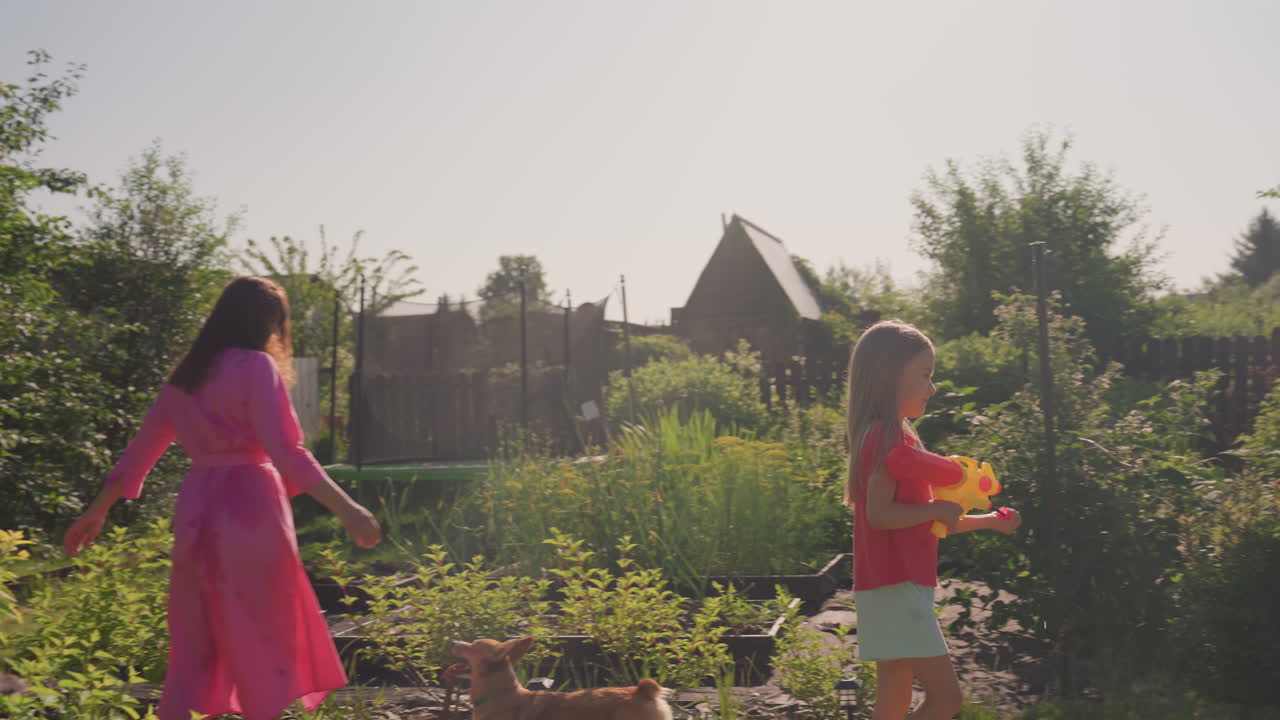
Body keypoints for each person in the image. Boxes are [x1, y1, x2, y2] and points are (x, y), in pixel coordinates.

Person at [63, 276, 383, 720]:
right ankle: (261, 711)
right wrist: (348, 509)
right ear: (266, 322)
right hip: (252, 505)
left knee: (198, 625)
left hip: (198, 507)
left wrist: (97, 511)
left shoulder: (186, 376)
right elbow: (287, 453)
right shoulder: (256, 367)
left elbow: (140, 453)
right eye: (277, 322)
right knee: (264, 621)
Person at [844, 320, 1021, 720]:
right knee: (946, 700)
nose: (932, 386)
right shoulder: (886, 439)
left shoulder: (892, 438)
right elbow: (881, 515)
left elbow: (932, 521)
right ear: (890, 377)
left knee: (893, 702)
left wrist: (992, 520)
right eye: (925, 374)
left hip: (887, 588)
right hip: (897, 588)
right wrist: (936, 509)